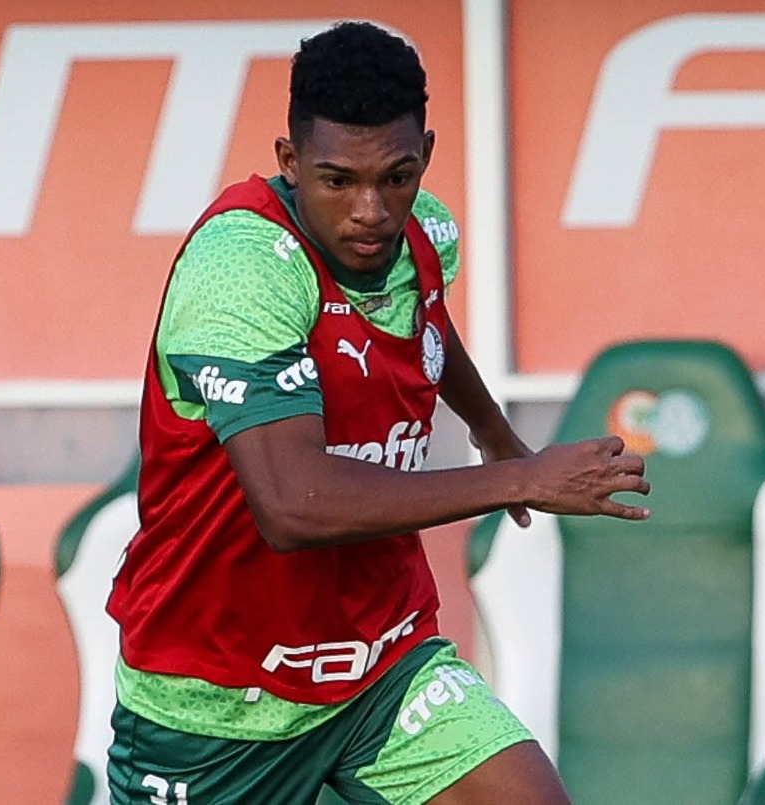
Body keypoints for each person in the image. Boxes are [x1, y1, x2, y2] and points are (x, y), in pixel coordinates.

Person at [106, 20, 650, 805]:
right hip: (216, 698)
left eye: (395, 176)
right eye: (337, 180)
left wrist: (490, 429)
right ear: (290, 162)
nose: (371, 210)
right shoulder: (241, 270)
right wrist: (520, 479)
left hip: (379, 662)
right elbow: (291, 504)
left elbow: (425, 321)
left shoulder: (426, 233)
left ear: (424, 153)